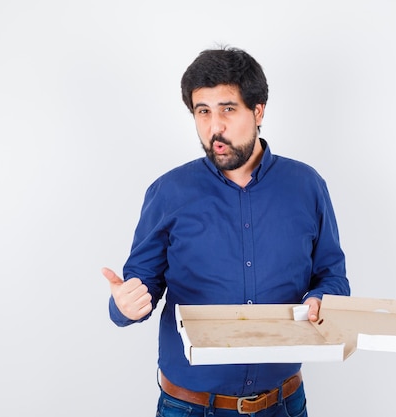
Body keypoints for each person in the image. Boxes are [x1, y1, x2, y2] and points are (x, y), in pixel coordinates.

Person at [103, 46, 350, 417]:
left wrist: (322, 300)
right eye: (203, 112)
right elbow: (141, 286)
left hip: (282, 404)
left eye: (227, 110)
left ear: (258, 110)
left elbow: (332, 276)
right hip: (189, 407)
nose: (214, 127)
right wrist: (125, 306)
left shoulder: (307, 186)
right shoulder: (169, 192)